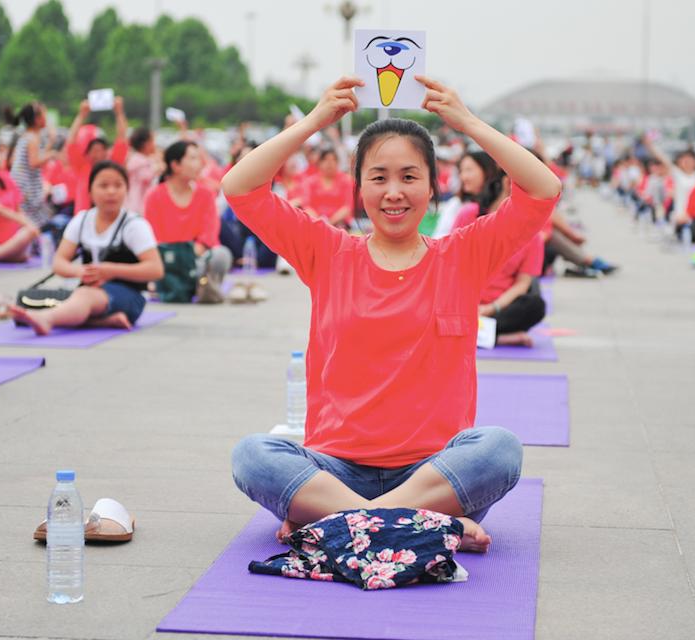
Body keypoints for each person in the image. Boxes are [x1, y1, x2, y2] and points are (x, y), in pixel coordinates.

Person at [224, 76, 561, 551]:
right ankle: (414, 524)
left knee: (500, 450)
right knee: (252, 456)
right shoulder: (327, 251)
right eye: (378, 177)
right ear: (358, 185)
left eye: (409, 177)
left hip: (434, 474)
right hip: (334, 471)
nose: (393, 192)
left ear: (432, 185)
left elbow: (543, 189)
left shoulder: (464, 254)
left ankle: (345, 522)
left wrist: (465, 122)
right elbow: (240, 187)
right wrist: (317, 119)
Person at [9, 161, 164, 334]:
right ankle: (103, 321)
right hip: (89, 291)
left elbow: (155, 269)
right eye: (103, 185)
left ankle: (47, 318)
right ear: (90, 192)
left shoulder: (134, 225)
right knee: (80, 297)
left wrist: (111, 270)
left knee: (83, 297)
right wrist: (80, 272)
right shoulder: (82, 220)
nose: (111, 191)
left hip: (129, 295)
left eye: (118, 185)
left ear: (126, 190)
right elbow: (59, 263)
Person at [452, 166, 546, 347]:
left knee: (535, 304)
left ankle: (478, 333)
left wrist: (491, 308)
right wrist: (469, 305)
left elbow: (522, 283)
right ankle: (494, 336)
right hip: (461, 301)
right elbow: (451, 264)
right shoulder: (469, 214)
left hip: (498, 307)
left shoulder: (534, 236)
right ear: (507, 183)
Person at [145, 141, 233, 288]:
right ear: (175, 165)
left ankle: (200, 288)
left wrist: (186, 256)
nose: (199, 164)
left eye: (198, 158)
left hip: (195, 260)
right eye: (193, 158)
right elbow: (153, 237)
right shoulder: (154, 196)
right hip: (166, 260)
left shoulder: (206, 195)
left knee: (221, 255)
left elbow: (208, 237)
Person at [66, 97, 129, 214]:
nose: (98, 154)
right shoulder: (82, 167)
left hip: (110, 217)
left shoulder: (113, 166)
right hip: (84, 217)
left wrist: (119, 113)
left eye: (101, 150)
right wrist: (81, 115)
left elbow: (122, 139)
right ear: (87, 153)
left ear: (107, 152)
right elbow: (70, 143)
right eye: (94, 150)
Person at [6, 101, 55, 228]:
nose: (47, 119)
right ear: (37, 119)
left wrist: (51, 141)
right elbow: (34, 162)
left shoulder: (27, 135)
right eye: (45, 115)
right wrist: (53, 154)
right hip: (26, 184)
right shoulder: (33, 138)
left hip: (20, 181)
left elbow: (37, 156)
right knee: (35, 218)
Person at [433, 150, 497, 239]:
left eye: (469, 170)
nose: (463, 176)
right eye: (461, 171)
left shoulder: (499, 203)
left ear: (487, 170)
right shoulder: (457, 204)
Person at [300, 147, 354, 227]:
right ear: (319, 163)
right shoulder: (310, 182)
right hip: (315, 222)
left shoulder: (346, 180)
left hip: (340, 223)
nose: (329, 163)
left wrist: (330, 222)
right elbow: (307, 205)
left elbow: (347, 207)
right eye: (325, 159)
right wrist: (319, 221)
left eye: (333, 160)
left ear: (337, 162)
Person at [124, 126, 158, 213]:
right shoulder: (141, 162)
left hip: (135, 205)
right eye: (153, 141)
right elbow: (147, 178)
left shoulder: (138, 159)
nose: (155, 144)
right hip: (137, 206)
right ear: (146, 144)